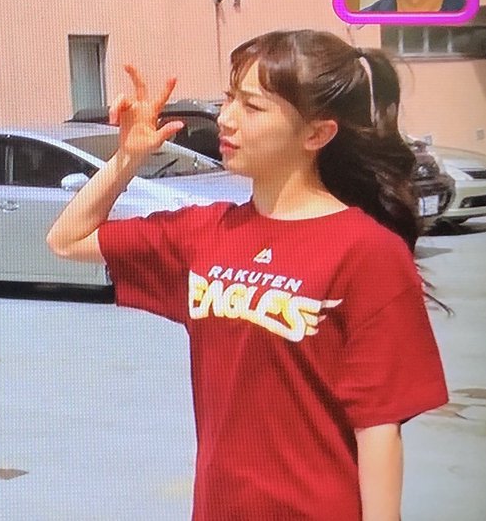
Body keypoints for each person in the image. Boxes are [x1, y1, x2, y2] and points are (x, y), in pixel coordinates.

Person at [47, 30, 448, 520]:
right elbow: (67, 240)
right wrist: (128, 158)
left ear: (317, 134)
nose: (226, 118)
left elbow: (379, 427)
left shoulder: (368, 252)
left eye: (253, 107)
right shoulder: (205, 232)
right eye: (230, 98)